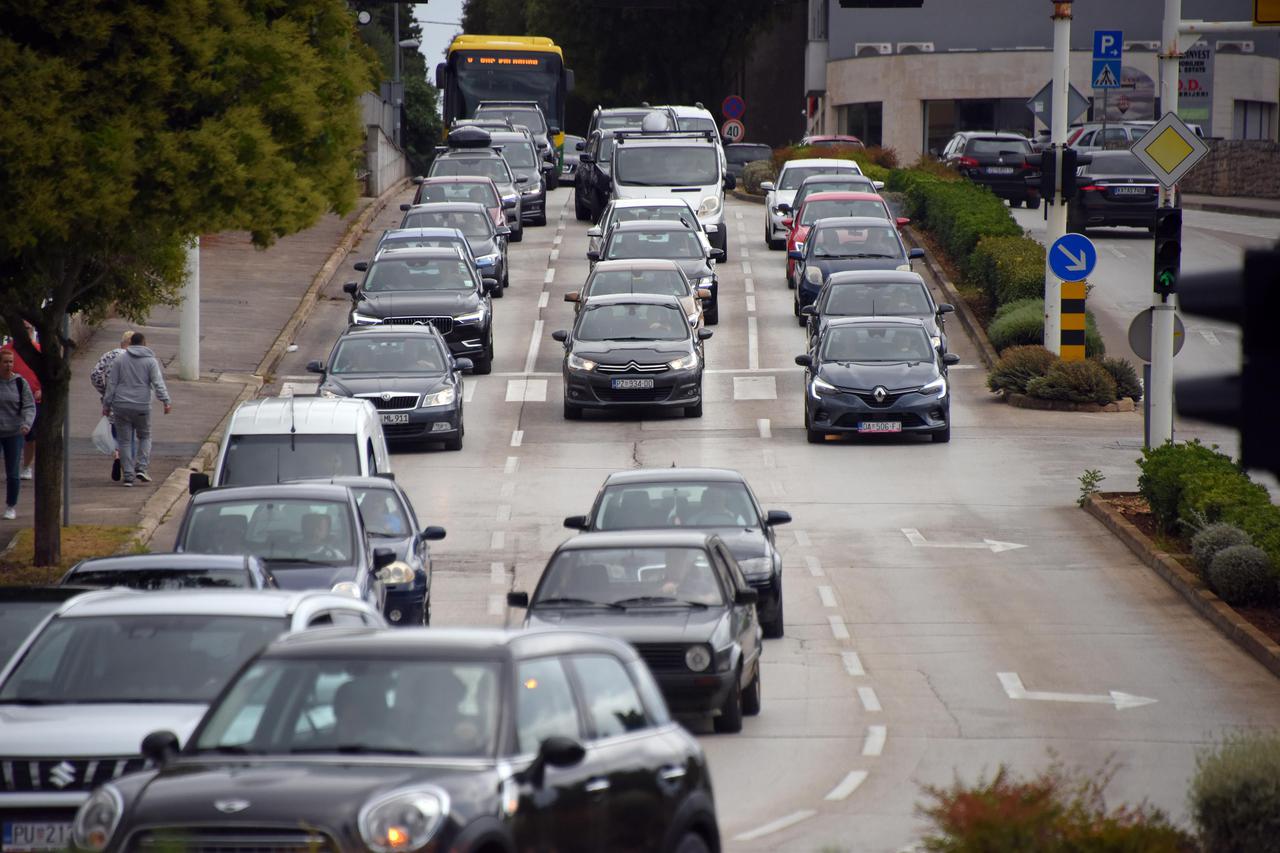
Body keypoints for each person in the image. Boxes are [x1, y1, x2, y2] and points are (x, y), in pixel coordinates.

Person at [102, 332, 171, 487]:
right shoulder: (151, 361)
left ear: (131, 343)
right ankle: (141, 467)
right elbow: (157, 383)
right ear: (144, 343)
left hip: (120, 405)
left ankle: (128, 476)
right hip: (142, 405)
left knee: (124, 440)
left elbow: (112, 384)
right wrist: (166, 401)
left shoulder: (120, 360)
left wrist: (106, 405)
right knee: (145, 436)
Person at [90, 330, 135, 481]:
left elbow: (95, 374)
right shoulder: (134, 358)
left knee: (116, 430)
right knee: (129, 434)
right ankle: (128, 468)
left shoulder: (109, 355)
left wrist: (104, 390)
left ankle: (117, 454)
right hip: (130, 400)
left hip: (111, 401)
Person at [0, 349, 35, 520]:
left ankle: (11, 505)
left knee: (12, 472)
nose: (8, 365)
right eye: (5, 362)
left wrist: (26, 424)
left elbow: (29, 406)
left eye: (11, 362)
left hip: (14, 433)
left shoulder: (20, 383)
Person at [1, 332, 40, 482]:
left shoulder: (38, 349)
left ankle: (26, 466)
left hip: (32, 398)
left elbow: (48, 372)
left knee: (30, 436)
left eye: (28, 329)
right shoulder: (6, 349)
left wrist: (42, 389)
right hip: (7, 405)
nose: (9, 364)